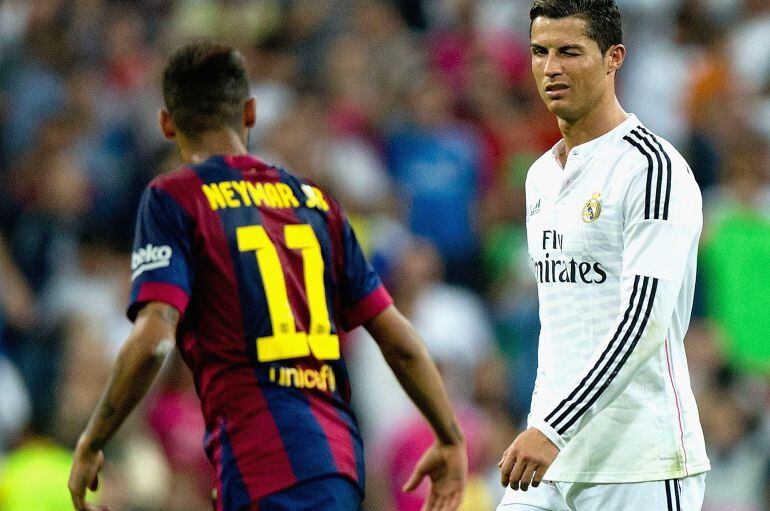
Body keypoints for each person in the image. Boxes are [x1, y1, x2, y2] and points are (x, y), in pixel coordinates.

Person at [67, 40, 467, 511]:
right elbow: (398, 338)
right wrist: (450, 437)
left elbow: (155, 337)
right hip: (336, 462)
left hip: (262, 463)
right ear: (250, 113)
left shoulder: (175, 198)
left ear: (167, 123)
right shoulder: (317, 204)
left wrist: (92, 440)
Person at [497, 1, 710, 510]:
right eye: (540, 52)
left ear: (614, 57)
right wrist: (547, 427)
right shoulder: (540, 176)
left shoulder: (652, 169)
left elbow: (644, 322)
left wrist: (553, 428)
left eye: (570, 52)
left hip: (640, 465)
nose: (551, 68)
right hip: (553, 460)